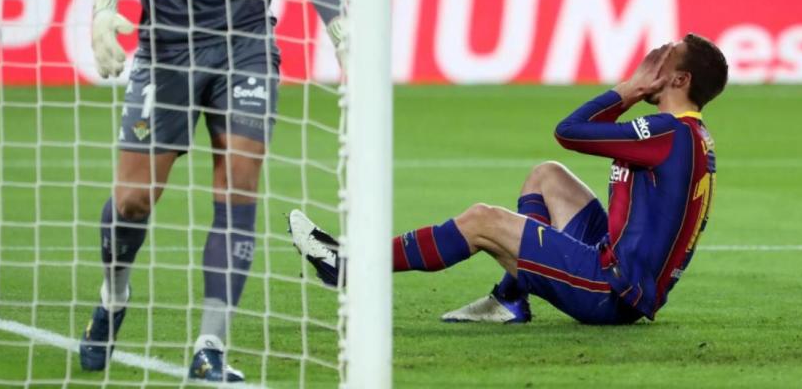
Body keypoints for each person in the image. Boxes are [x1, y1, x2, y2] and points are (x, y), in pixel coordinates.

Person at [79, 0, 343, 381]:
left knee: (239, 184)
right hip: (168, 48)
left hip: (246, 45)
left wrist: (341, 30)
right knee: (133, 201)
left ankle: (211, 346)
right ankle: (114, 295)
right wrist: (103, 7)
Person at [289, 37, 728, 325]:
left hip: (610, 290)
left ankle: (349, 266)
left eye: (661, 61)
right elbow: (573, 141)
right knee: (546, 176)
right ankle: (510, 300)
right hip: (619, 270)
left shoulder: (668, 133)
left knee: (483, 220)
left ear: (680, 79)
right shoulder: (688, 134)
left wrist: (627, 90)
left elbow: (570, 130)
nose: (649, 63)